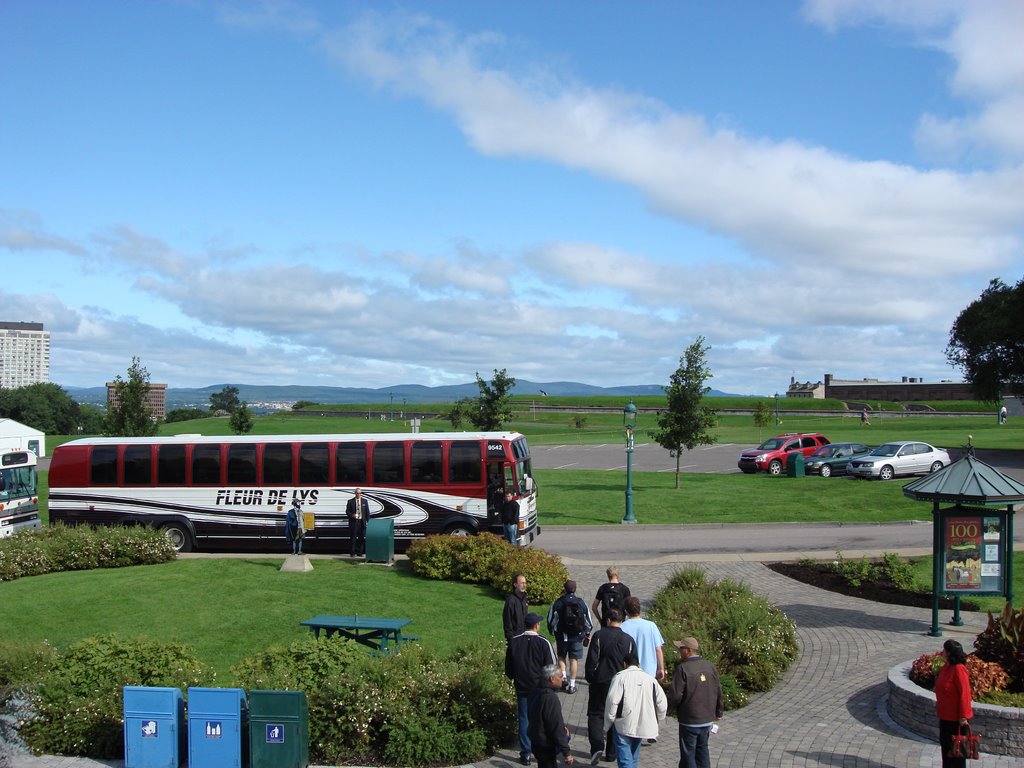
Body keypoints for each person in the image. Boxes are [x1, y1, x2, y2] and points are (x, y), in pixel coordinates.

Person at [584, 608, 637, 765]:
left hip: (600, 682)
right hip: (620, 684)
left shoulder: (599, 636)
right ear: (621, 621)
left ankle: (597, 746)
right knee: (616, 716)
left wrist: (591, 678)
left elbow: (592, 661)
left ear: (607, 620)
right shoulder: (628, 640)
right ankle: (612, 753)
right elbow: (634, 662)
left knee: (595, 714)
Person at [506, 613, 558, 766]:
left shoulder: (514, 642)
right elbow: (551, 667)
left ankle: (526, 752)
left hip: (521, 686)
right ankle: (540, 748)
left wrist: (513, 677)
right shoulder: (543, 642)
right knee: (541, 718)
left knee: (524, 718)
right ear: (536, 626)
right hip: (539, 688)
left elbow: (509, 666)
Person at [603, 652, 667, 768]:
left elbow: (612, 701)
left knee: (625, 759)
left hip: (623, 723)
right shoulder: (651, 680)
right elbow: (662, 703)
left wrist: (608, 723)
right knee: (633, 756)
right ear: (639, 664)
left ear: (624, 664)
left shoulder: (620, 677)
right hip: (643, 723)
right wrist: (656, 719)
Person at [667, 637, 723, 768]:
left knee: (688, 754)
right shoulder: (710, 666)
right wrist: (719, 711)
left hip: (689, 719)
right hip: (707, 719)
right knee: (702, 750)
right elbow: (718, 690)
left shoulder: (683, 669)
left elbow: (675, 695)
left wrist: (666, 709)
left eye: (681, 648)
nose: (679, 651)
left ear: (688, 650)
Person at [547, 579, 593, 694]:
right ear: (575, 589)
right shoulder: (581, 603)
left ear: (564, 589)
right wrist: (587, 633)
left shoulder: (558, 602)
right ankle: (572, 685)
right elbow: (589, 622)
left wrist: (551, 630)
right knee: (574, 660)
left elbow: (551, 619)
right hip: (576, 636)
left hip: (562, 636)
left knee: (561, 658)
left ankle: (563, 680)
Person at [934, 639, 973, 768]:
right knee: (946, 749)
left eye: (944, 650)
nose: (942, 652)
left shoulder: (959, 669)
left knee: (957, 752)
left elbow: (965, 693)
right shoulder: (947, 666)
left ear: (950, 653)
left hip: (956, 720)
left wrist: (964, 716)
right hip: (944, 717)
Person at [528, 663, 575, 768]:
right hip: (546, 744)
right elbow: (555, 726)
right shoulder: (550, 698)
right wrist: (566, 752)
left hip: (536, 740)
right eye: (560, 677)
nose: (563, 679)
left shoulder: (535, 691)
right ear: (552, 679)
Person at [621, 596, 666, 681]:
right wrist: (661, 668)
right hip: (648, 672)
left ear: (626, 611)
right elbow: (658, 649)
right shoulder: (651, 626)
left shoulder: (622, 627)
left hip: (629, 672)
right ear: (639, 609)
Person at [504, 573, 529, 644]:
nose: (524, 585)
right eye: (522, 583)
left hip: (525, 636)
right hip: (515, 639)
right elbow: (507, 622)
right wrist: (511, 641)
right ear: (515, 585)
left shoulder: (525, 598)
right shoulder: (511, 601)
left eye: (525, 583)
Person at [345, 487, 369, 557]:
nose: (358, 494)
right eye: (357, 493)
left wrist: (369, 522)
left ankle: (360, 552)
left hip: (362, 522)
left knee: (361, 538)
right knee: (353, 537)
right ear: (355, 493)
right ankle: (352, 552)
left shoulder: (365, 501)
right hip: (354, 522)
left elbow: (367, 512)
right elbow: (347, 511)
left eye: (359, 493)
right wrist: (352, 515)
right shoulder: (350, 501)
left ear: (361, 494)